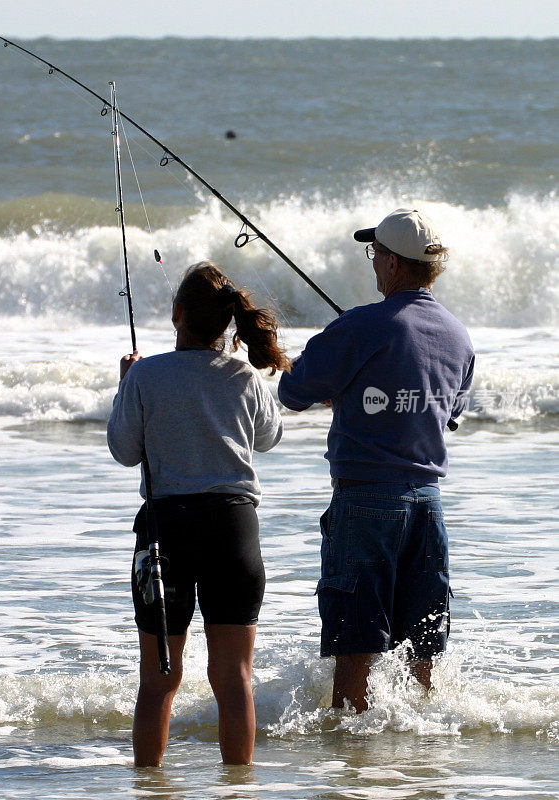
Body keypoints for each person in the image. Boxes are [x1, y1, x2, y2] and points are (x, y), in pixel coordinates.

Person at [278, 208, 475, 713]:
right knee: (423, 651)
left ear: (392, 265)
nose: (373, 263)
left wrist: (342, 382)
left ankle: (353, 768)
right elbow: (447, 410)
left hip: (366, 501)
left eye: (376, 254)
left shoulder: (360, 325)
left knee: (355, 645)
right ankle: (424, 760)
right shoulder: (458, 335)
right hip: (429, 506)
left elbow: (293, 390)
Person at [107, 261, 290, 766]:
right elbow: (270, 437)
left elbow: (124, 451)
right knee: (233, 678)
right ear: (226, 324)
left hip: (167, 528)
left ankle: (149, 787)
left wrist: (127, 387)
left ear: (177, 314)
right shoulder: (243, 374)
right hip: (233, 527)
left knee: (159, 679)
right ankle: (238, 789)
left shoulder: (146, 375)